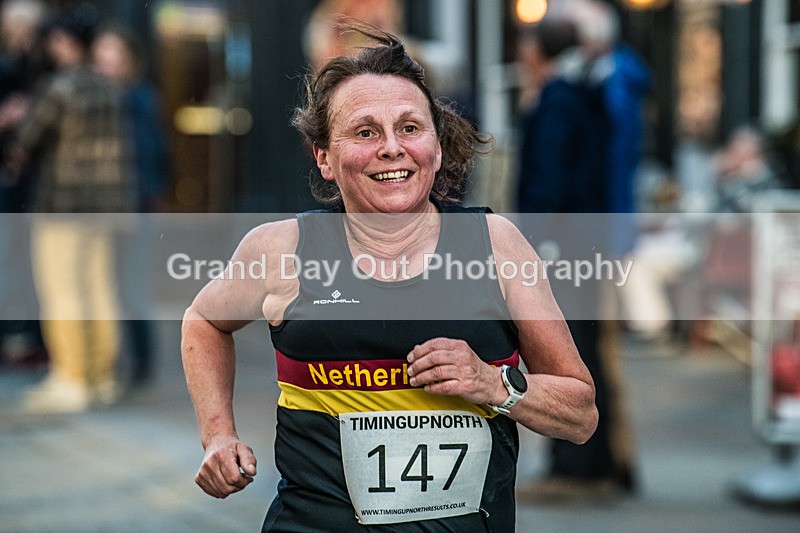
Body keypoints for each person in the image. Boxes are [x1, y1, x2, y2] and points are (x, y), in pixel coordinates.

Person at [182, 23, 597, 531]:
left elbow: (581, 415)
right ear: (324, 158)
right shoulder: (281, 250)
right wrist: (218, 435)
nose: (391, 148)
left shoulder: (496, 244)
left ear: (438, 147)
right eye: (364, 132)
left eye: (409, 127)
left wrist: (493, 383)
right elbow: (203, 319)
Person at [513, 18, 627, 500]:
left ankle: (577, 469)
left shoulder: (558, 97)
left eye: (527, 43)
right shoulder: (583, 91)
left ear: (542, 49)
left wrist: (534, 243)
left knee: (565, 350)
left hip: (563, 244)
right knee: (583, 347)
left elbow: (550, 181)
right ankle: (595, 464)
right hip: (586, 240)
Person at [10, 8, 135, 413]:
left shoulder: (58, 87)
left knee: (62, 292)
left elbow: (28, 136)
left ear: (64, 43)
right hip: (106, 207)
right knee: (100, 290)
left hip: (63, 206)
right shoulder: (107, 85)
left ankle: (71, 380)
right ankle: (102, 378)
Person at [92, 24, 169, 388]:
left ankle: (139, 364)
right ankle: (119, 362)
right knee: (107, 283)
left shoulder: (137, 99)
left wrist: (147, 200)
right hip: (108, 205)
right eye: (100, 59)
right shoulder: (105, 100)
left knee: (129, 284)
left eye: (112, 58)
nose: (105, 66)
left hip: (134, 205)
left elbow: (150, 155)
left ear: (128, 61)